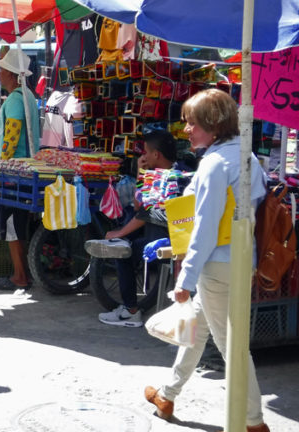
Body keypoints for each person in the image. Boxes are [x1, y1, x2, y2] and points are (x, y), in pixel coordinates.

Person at [144, 89, 270, 432]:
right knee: (196, 331)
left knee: (233, 350)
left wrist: (184, 280)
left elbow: (206, 229)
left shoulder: (216, 164)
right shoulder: (247, 158)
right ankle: (168, 394)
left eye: (192, 123)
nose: (186, 129)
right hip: (239, 262)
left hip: (216, 265)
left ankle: (254, 422)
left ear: (214, 126)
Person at [86, 131, 180, 327]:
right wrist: (141, 173)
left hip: (166, 241)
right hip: (162, 235)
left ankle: (130, 311)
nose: (143, 156)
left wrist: (119, 234)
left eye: (146, 152)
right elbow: (139, 206)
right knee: (127, 227)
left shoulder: (166, 178)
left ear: (157, 155)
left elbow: (144, 214)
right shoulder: (163, 173)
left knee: (123, 253)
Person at [0, 49, 40, 292]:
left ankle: (19, 276)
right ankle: (21, 271)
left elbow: (13, 135)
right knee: (16, 223)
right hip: (22, 170)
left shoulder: (17, 99)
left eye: (1, 69)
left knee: (12, 224)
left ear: (10, 73)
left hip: (14, 174)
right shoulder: (26, 96)